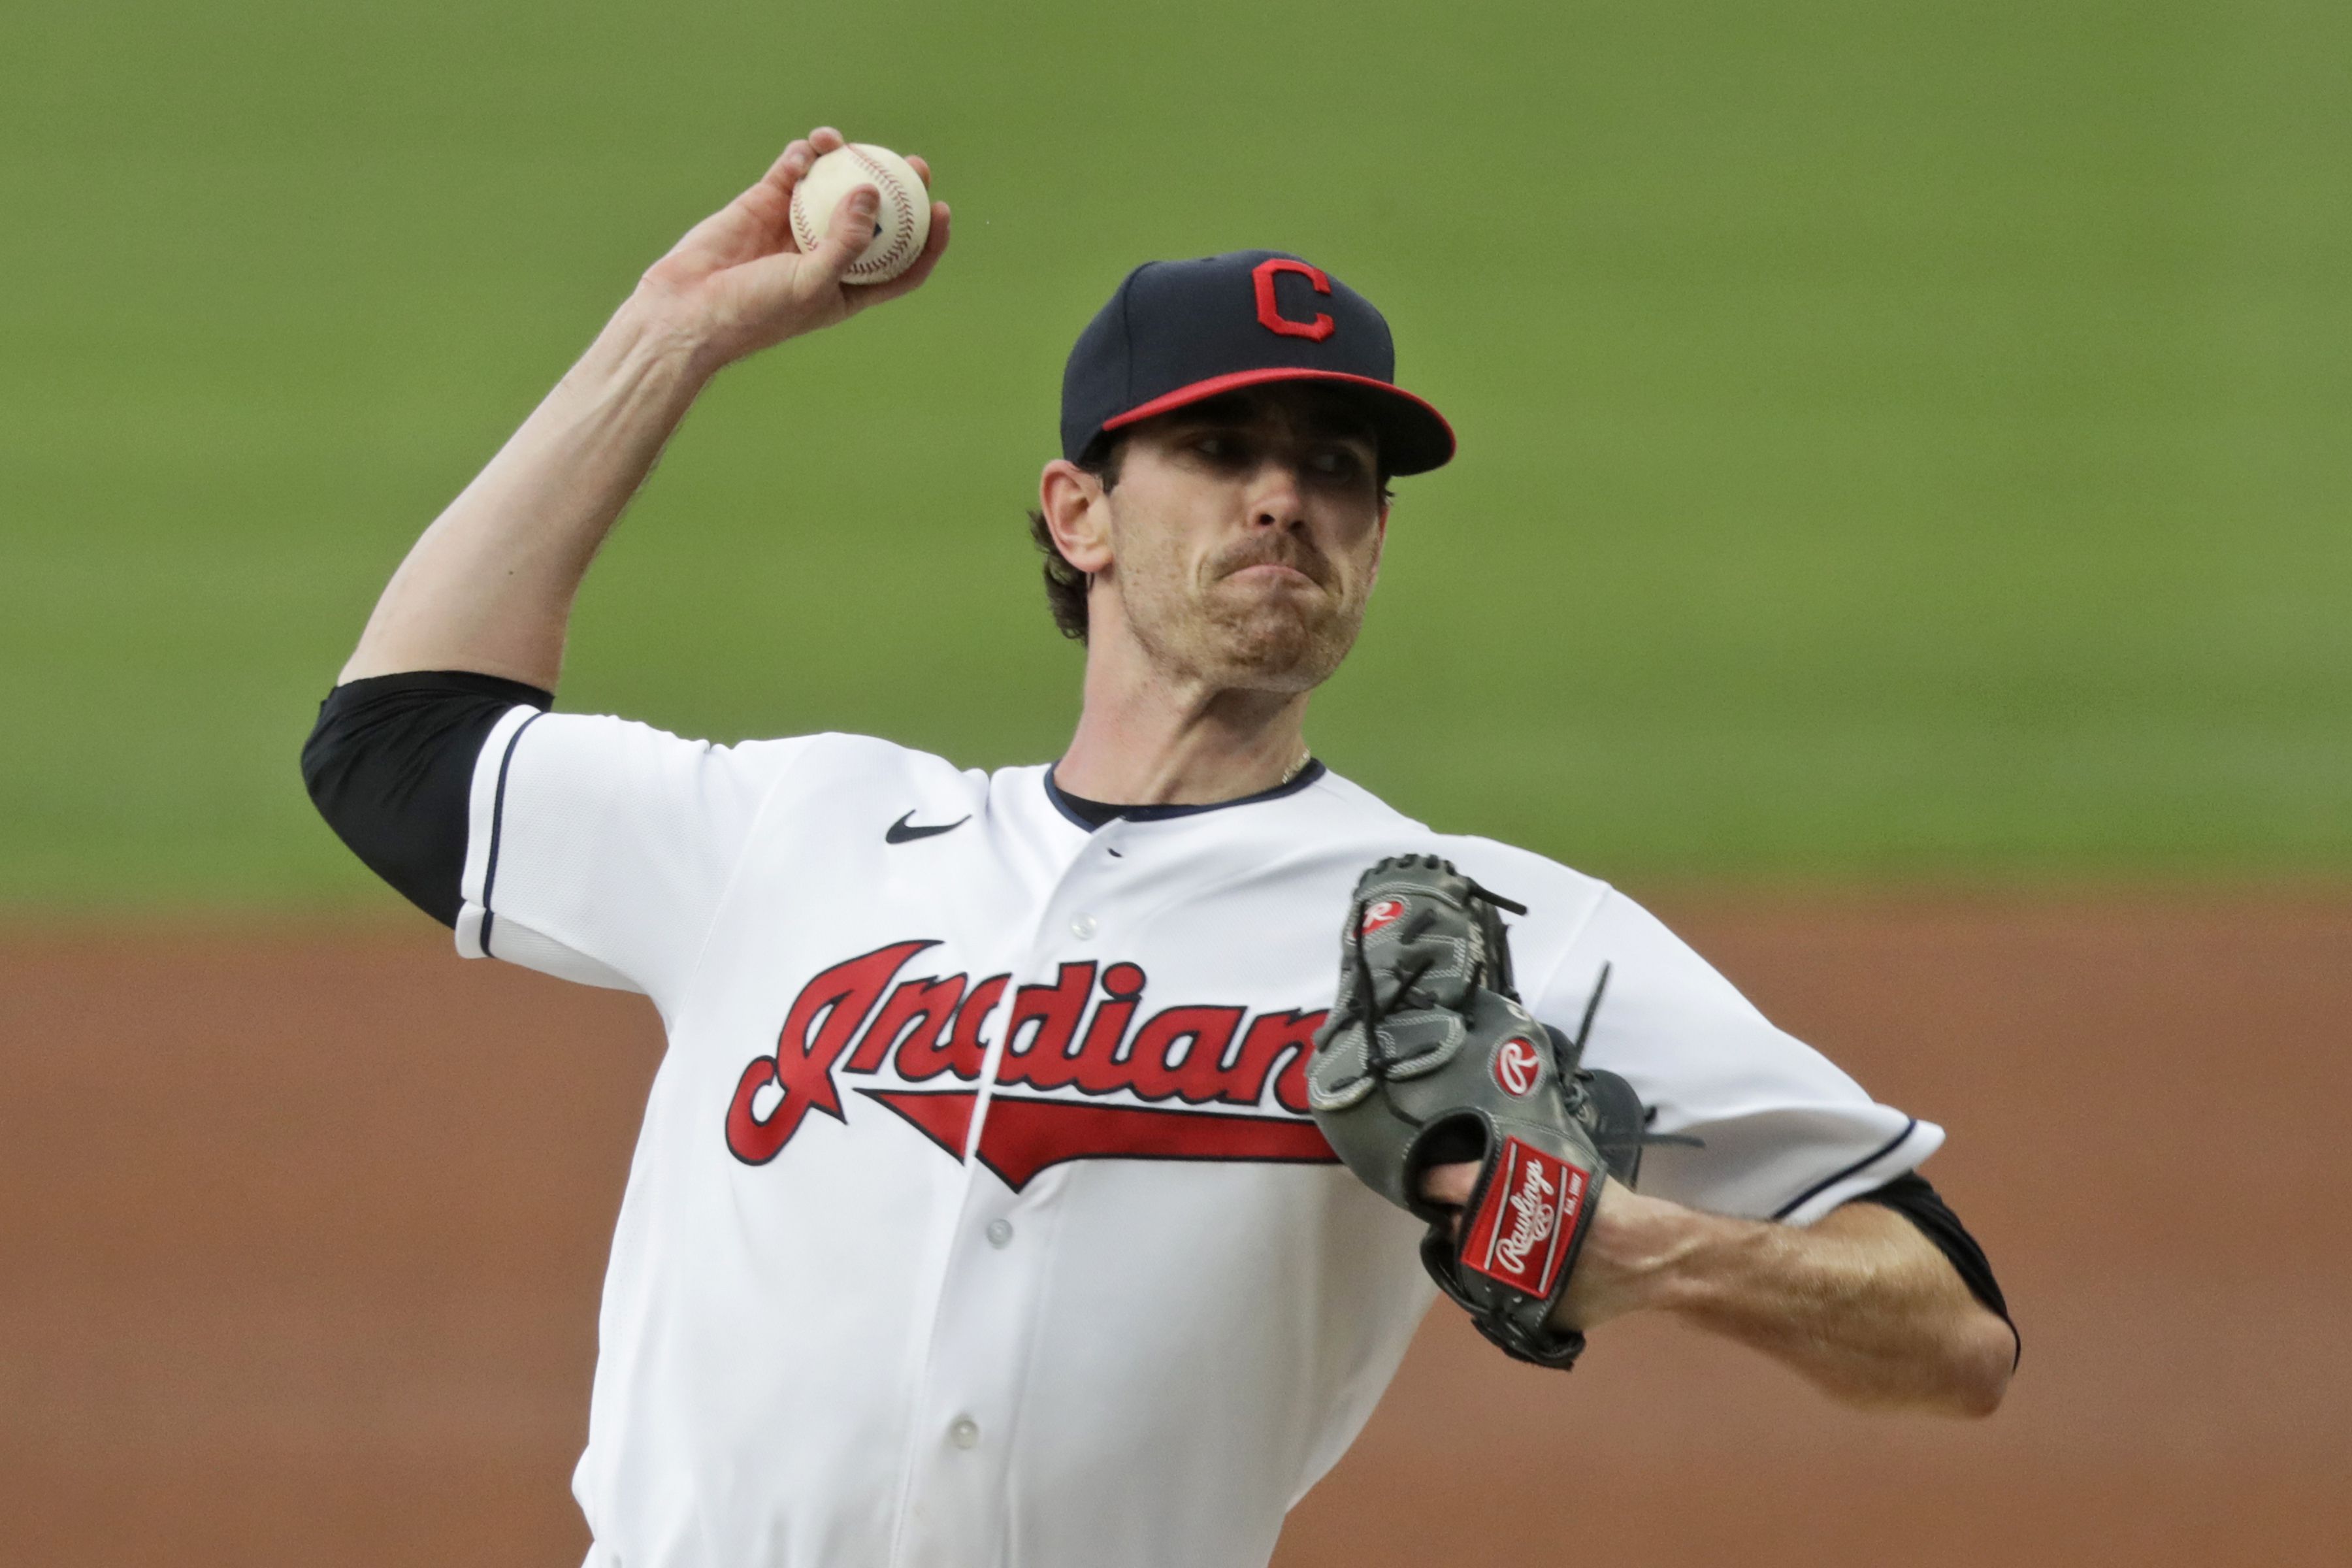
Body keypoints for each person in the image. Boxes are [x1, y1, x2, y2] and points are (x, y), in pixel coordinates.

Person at [304, 127, 2015, 1568]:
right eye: (1218, 450)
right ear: (1080, 513)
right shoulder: (797, 831)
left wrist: (1642, 1249)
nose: (1284, 497)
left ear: (1374, 537)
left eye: (1335, 468)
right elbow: (396, 741)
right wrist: (668, 335)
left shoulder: (1485, 931)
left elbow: (1954, 1329)